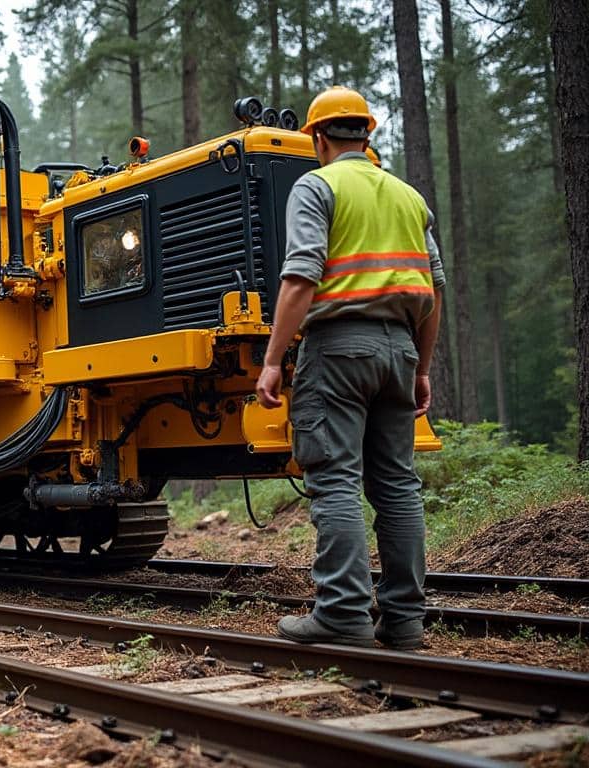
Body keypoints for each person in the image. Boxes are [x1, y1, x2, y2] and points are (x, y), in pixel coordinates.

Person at [254, 86, 445, 650]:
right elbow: (434, 285)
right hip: (400, 349)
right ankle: (405, 620)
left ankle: (342, 612)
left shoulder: (317, 185)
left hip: (338, 348)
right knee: (397, 486)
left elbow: (300, 278)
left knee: (335, 479)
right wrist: (422, 369)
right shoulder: (409, 198)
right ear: (368, 134)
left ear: (317, 138)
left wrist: (271, 361)